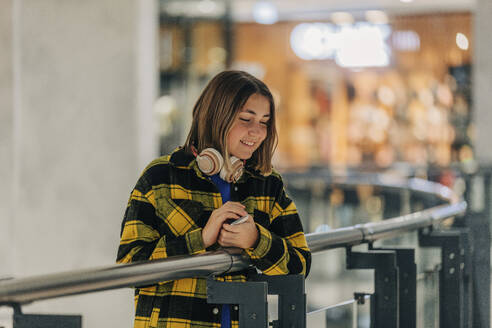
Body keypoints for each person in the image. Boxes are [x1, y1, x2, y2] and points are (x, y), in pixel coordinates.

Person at [117, 70, 311, 328]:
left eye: (264, 122)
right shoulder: (161, 176)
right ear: (216, 117)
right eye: (246, 119)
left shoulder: (266, 183)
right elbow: (130, 267)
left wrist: (256, 240)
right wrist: (201, 239)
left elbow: (300, 267)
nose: (257, 132)